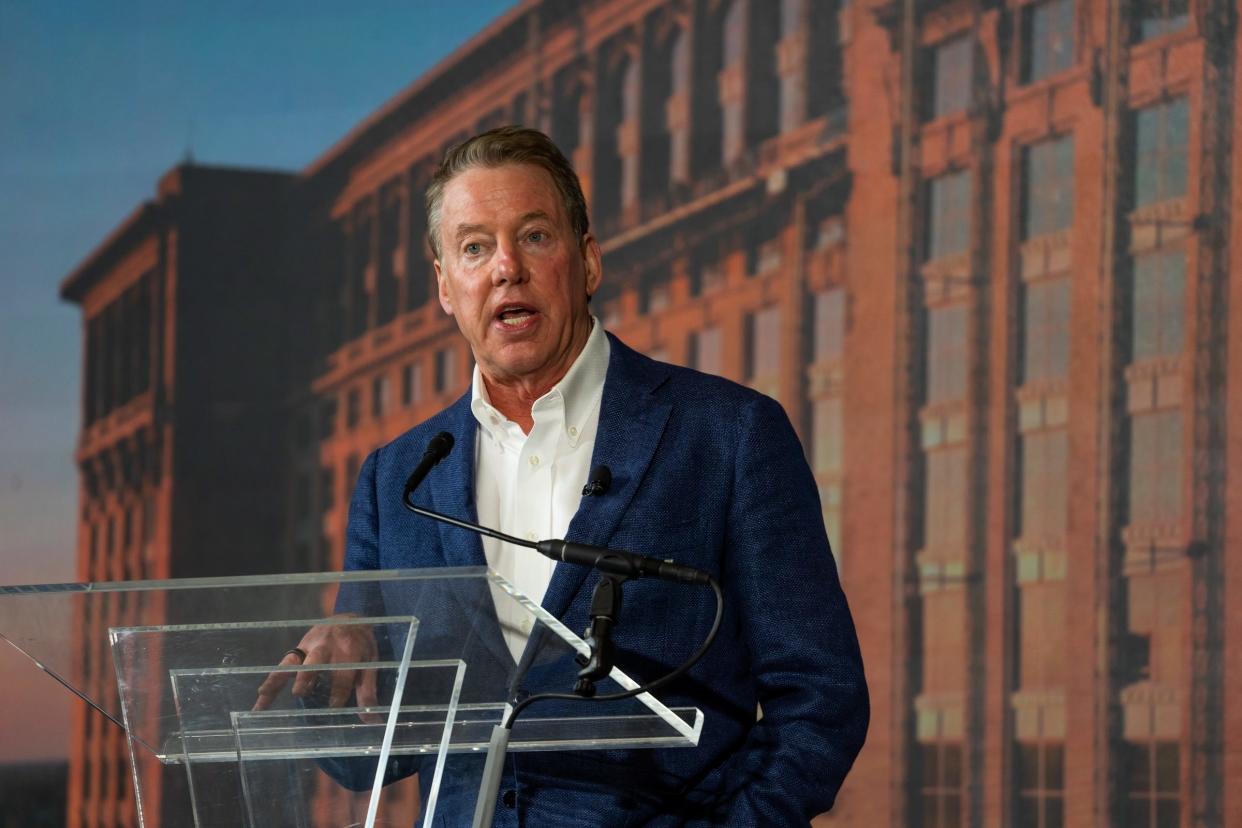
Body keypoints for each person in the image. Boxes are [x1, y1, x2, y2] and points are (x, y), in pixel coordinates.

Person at [259, 126, 868, 825]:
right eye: (474, 247)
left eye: (536, 236)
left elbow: (822, 696)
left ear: (588, 261)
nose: (505, 268)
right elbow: (362, 761)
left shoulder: (727, 435)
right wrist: (321, 672)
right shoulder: (398, 478)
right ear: (446, 288)